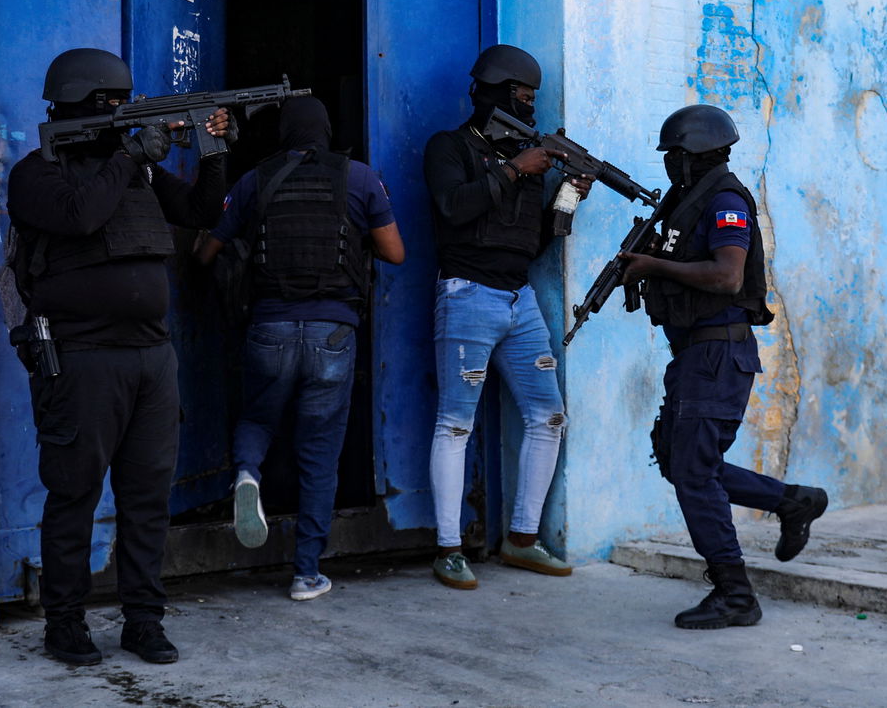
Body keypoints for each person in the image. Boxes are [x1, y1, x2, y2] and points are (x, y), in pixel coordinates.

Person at [5, 47, 231, 666]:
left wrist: (213, 152)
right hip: (80, 358)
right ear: (75, 104)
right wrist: (134, 154)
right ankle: (66, 623)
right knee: (74, 495)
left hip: (151, 359)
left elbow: (202, 214)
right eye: (110, 103)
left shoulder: (140, 173)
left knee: (147, 498)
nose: (120, 113)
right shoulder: (36, 174)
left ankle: (143, 620)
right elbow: (80, 218)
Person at [617, 104, 828, 630]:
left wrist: (652, 266)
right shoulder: (687, 201)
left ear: (693, 156)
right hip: (695, 354)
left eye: (674, 158)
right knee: (679, 460)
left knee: (692, 471)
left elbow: (728, 276)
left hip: (716, 354)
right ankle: (793, 501)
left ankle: (735, 594)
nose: (669, 167)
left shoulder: (726, 200)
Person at [195, 96, 405, 601]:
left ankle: (247, 474)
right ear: (328, 130)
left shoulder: (255, 180)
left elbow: (206, 253)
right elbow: (395, 253)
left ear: (284, 133)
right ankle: (307, 574)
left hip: (269, 327)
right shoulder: (360, 178)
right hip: (334, 333)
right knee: (319, 453)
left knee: (257, 419)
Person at [422, 44, 591, 590]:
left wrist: (565, 196)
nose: (530, 107)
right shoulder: (448, 147)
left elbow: (534, 242)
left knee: (549, 417)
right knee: (455, 423)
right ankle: (448, 548)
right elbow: (453, 208)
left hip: (519, 301)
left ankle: (522, 539)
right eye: (522, 96)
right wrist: (517, 168)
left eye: (533, 99)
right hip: (467, 294)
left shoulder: (531, 160)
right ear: (493, 93)